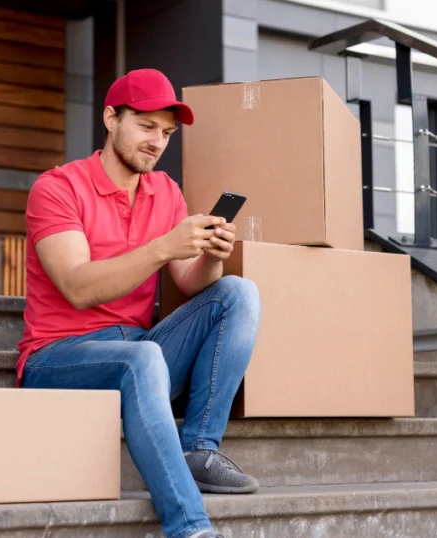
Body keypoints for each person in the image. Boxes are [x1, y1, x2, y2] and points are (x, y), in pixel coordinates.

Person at [15, 68, 262, 538]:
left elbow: (190, 285)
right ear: (111, 118)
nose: (157, 141)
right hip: (59, 358)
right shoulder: (57, 188)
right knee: (142, 356)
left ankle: (199, 449)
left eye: (166, 133)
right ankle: (191, 528)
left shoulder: (164, 191)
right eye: (146, 126)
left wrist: (210, 256)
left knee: (238, 292)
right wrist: (163, 247)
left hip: (139, 350)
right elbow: (78, 286)